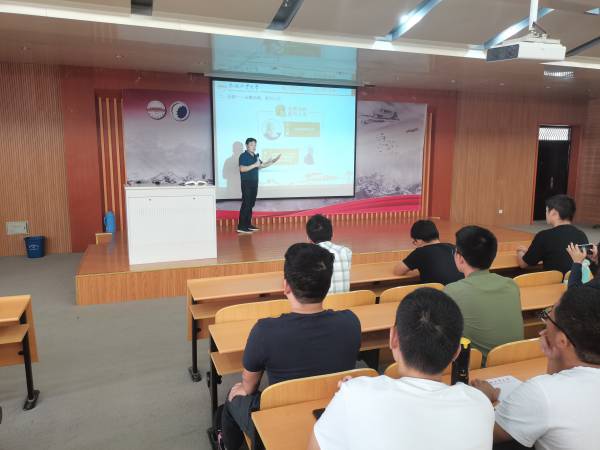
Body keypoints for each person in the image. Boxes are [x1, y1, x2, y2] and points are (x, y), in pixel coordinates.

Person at [309, 288, 494, 450]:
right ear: (456, 353)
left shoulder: (355, 394)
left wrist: (352, 394)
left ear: (393, 338)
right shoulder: (481, 405)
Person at [220, 243, 361, 449]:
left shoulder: (265, 331)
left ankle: (227, 444)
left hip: (280, 418)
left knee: (232, 398)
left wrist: (240, 389)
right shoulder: (351, 322)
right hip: (332, 409)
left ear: (286, 286)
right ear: (327, 285)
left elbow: (248, 387)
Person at [471, 287, 600, 449]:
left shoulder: (542, 392)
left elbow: (484, 434)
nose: (544, 327)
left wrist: (483, 399)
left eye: (548, 317)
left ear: (562, 341)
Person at [444, 226, 523, 357]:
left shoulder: (452, 291)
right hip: (515, 360)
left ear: (460, 258)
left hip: (478, 367)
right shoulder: (511, 285)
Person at [516, 194, 588, 274]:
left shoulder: (544, 236)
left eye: (547, 211)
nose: (546, 214)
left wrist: (520, 251)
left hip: (553, 281)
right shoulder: (581, 235)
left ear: (554, 213)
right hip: (576, 280)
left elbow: (523, 264)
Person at [394, 219, 463, 285]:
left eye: (414, 242)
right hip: (461, 290)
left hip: (438, 292)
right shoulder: (453, 247)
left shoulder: (420, 252)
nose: (415, 244)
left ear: (419, 240)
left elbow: (398, 271)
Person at [237, 138, 281, 234]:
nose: (254, 147)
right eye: (251, 145)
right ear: (246, 145)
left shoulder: (255, 156)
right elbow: (242, 169)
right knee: (246, 204)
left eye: (255, 145)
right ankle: (241, 226)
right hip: (246, 183)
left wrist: (273, 161)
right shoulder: (243, 156)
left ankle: (248, 224)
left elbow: (262, 165)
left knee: (251, 204)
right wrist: (254, 165)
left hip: (254, 183)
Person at [306, 214, 352, 294]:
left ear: (308, 238)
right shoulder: (346, 252)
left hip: (322, 302)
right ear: (332, 234)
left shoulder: (307, 256)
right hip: (344, 301)